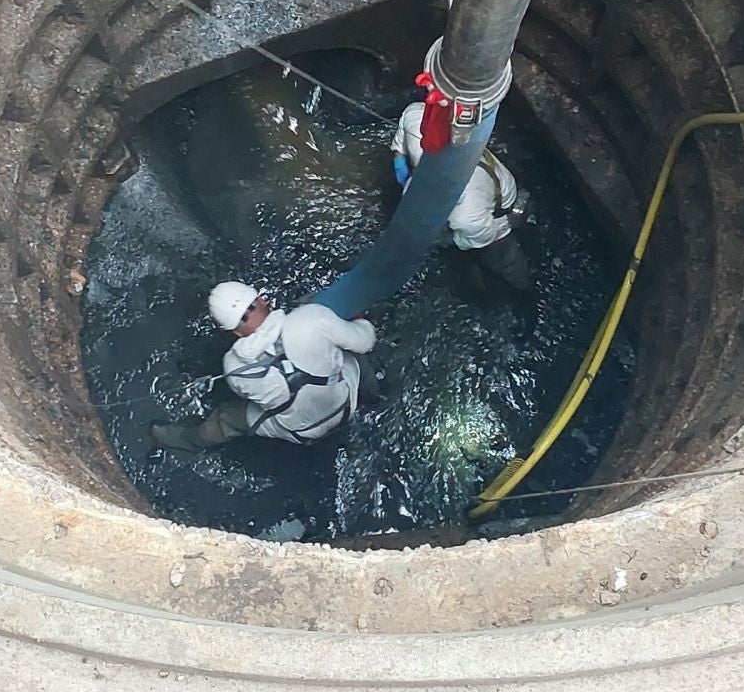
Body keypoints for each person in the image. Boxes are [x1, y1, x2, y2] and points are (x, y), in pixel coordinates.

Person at [150, 282, 377, 451]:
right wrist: (356, 321)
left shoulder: (233, 367)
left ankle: (187, 441)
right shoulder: (312, 318)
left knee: (228, 418)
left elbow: (256, 397)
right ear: (262, 300)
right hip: (347, 403)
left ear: (233, 332)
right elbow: (367, 341)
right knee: (352, 350)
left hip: (302, 432)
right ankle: (377, 395)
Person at [391, 101, 532, 294]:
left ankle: (524, 291)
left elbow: (485, 236)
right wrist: (399, 156)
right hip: (469, 208)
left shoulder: (467, 212)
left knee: (506, 262)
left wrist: (448, 240)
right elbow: (411, 114)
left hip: (494, 221)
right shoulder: (419, 132)